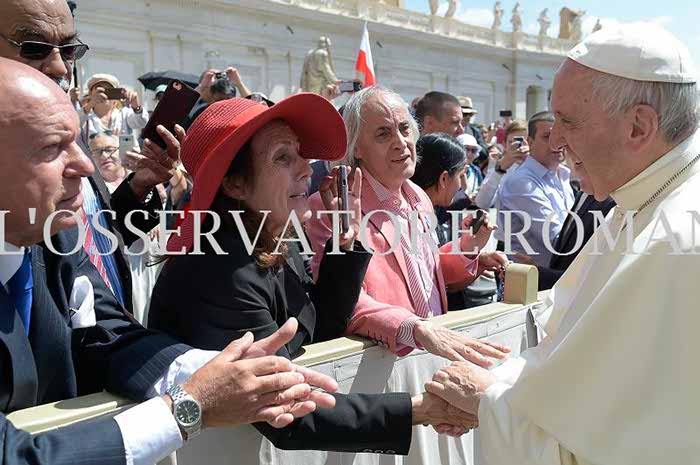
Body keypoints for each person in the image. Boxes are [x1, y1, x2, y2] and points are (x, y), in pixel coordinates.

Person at [0, 58, 339, 465]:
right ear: (234, 183)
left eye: (77, 142)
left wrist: (217, 371)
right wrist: (188, 406)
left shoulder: (56, 236)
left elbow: (107, 336)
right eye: (53, 147)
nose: (86, 165)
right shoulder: (216, 267)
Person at [425, 23, 700, 464]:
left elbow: (629, 448)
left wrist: (488, 402)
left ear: (638, 127)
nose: (555, 141)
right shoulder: (638, 202)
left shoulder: (677, 241)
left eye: (568, 121)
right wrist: (498, 390)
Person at [149, 94, 475, 452]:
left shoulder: (277, 241)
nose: (307, 169)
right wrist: (422, 409)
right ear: (235, 184)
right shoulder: (216, 270)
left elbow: (321, 330)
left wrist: (344, 246)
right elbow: (284, 408)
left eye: (300, 153)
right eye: (283, 158)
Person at [0, 0, 184, 314]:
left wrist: (138, 187)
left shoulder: (72, 132)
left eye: (69, 50)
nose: (61, 68)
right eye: (34, 48)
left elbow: (97, 232)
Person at [307, 86, 511, 363]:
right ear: (356, 148)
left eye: (404, 129)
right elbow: (341, 301)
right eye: (383, 133)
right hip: (384, 366)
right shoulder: (332, 205)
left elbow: (426, 274)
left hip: (433, 356)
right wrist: (412, 328)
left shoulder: (418, 196)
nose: (401, 142)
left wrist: (467, 250)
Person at [88, 132, 164, 324]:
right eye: (97, 152)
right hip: (124, 261)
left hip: (150, 257)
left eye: (109, 149)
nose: (104, 156)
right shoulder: (96, 193)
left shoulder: (138, 178)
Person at [517, 152, 616, 290]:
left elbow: (596, 277)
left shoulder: (610, 203)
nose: (559, 147)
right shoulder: (585, 190)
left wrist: (539, 274)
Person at [495, 111, 575, 266]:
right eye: (547, 137)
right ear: (530, 142)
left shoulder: (564, 175)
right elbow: (557, 240)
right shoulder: (521, 182)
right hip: (531, 279)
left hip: (557, 275)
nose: (557, 143)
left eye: (562, 136)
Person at [79, 73, 148, 148]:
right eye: (100, 90)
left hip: (124, 155)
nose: (104, 95)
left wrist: (136, 106)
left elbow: (142, 122)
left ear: (116, 96)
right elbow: (75, 123)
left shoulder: (124, 114)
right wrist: (89, 105)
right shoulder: (85, 117)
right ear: (90, 94)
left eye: (109, 91)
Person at [474, 119, 529, 210]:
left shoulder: (540, 166)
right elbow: (481, 203)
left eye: (522, 142)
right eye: (512, 142)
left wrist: (529, 162)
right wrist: (499, 171)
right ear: (505, 144)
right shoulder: (499, 167)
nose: (518, 147)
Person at [184, 67, 251, 129]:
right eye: (219, 100)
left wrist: (239, 83)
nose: (223, 106)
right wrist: (202, 86)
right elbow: (182, 109)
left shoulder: (235, 113)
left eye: (227, 101)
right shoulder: (198, 111)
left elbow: (253, 109)